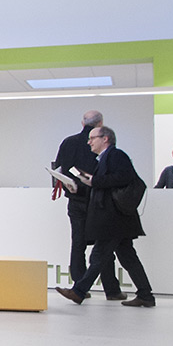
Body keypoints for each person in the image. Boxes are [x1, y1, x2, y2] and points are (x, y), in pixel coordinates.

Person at [55, 126, 154, 308]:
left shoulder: (116, 155)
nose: (89, 142)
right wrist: (79, 187)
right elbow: (107, 184)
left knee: (99, 256)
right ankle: (146, 295)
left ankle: (79, 291)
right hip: (116, 218)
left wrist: (94, 180)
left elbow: (123, 178)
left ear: (105, 139)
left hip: (114, 218)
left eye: (92, 138)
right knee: (128, 257)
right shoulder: (105, 159)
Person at [52, 110, 121, 300]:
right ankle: (111, 289)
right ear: (101, 124)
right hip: (97, 200)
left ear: (82, 123)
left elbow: (59, 168)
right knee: (103, 244)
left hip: (75, 199)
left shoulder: (68, 142)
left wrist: (69, 185)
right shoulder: (102, 146)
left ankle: (79, 285)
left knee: (78, 244)